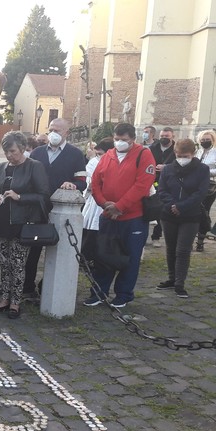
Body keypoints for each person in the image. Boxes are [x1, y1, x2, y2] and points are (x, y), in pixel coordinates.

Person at [85, 123, 156, 308]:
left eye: (124, 140)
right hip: (108, 215)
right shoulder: (108, 155)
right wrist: (104, 204)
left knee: (130, 258)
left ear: (133, 139)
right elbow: (96, 182)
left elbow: (142, 184)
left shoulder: (144, 154)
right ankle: (98, 292)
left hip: (133, 217)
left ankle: (123, 294)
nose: (119, 143)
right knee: (103, 256)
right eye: (117, 139)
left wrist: (120, 206)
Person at [0, 131, 51, 319]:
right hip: (1, 221)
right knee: (4, 263)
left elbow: (43, 195)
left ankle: (15, 302)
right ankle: (4, 299)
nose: (9, 155)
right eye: (6, 151)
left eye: (13, 151)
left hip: (22, 222)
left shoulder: (34, 167)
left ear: (22, 148)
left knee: (18, 264)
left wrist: (19, 197)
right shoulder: (1, 167)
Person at [23, 118, 87, 300]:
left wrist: (72, 184)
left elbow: (82, 182)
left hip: (62, 211)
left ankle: (50, 286)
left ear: (67, 133)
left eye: (58, 130)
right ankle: (27, 286)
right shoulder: (37, 152)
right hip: (37, 210)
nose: (54, 133)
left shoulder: (75, 154)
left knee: (59, 249)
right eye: (51, 129)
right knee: (33, 249)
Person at [156, 139, 210, 298]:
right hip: (169, 214)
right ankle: (172, 278)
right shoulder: (168, 170)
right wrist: (173, 204)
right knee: (171, 248)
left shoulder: (202, 169)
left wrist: (182, 206)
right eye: (179, 155)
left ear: (193, 154)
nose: (181, 158)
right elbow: (162, 190)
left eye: (185, 156)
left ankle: (180, 283)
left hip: (190, 215)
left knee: (183, 250)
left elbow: (200, 193)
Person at [81, 138, 114, 264]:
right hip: (94, 201)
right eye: (98, 154)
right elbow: (88, 178)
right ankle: (87, 257)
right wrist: (89, 185)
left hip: (109, 200)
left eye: (101, 153)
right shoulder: (94, 162)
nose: (99, 156)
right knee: (90, 230)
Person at [148, 127, 176, 246]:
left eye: (167, 136)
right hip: (152, 180)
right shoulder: (152, 148)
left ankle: (156, 236)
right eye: (162, 136)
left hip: (168, 181)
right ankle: (147, 234)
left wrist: (167, 167)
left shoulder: (176, 149)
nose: (164, 138)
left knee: (162, 208)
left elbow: (180, 162)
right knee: (150, 206)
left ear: (172, 136)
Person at [195, 129, 216, 251]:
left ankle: (200, 240)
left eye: (207, 140)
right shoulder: (198, 152)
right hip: (196, 185)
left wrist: (205, 170)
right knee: (196, 210)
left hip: (210, 186)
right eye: (203, 140)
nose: (205, 142)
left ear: (212, 140)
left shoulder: (215, 152)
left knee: (204, 210)